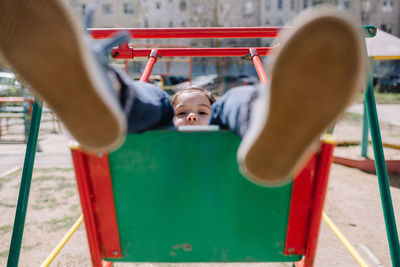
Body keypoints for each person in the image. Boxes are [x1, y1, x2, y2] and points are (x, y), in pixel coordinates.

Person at [0, 0, 366, 186]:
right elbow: (188, 111)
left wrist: (193, 113)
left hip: (148, 215)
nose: (191, 115)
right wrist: (196, 114)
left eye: (200, 112)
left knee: (204, 105)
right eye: (185, 113)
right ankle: (109, 95)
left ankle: (263, 116)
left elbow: (193, 111)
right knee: (161, 104)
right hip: (249, 212)